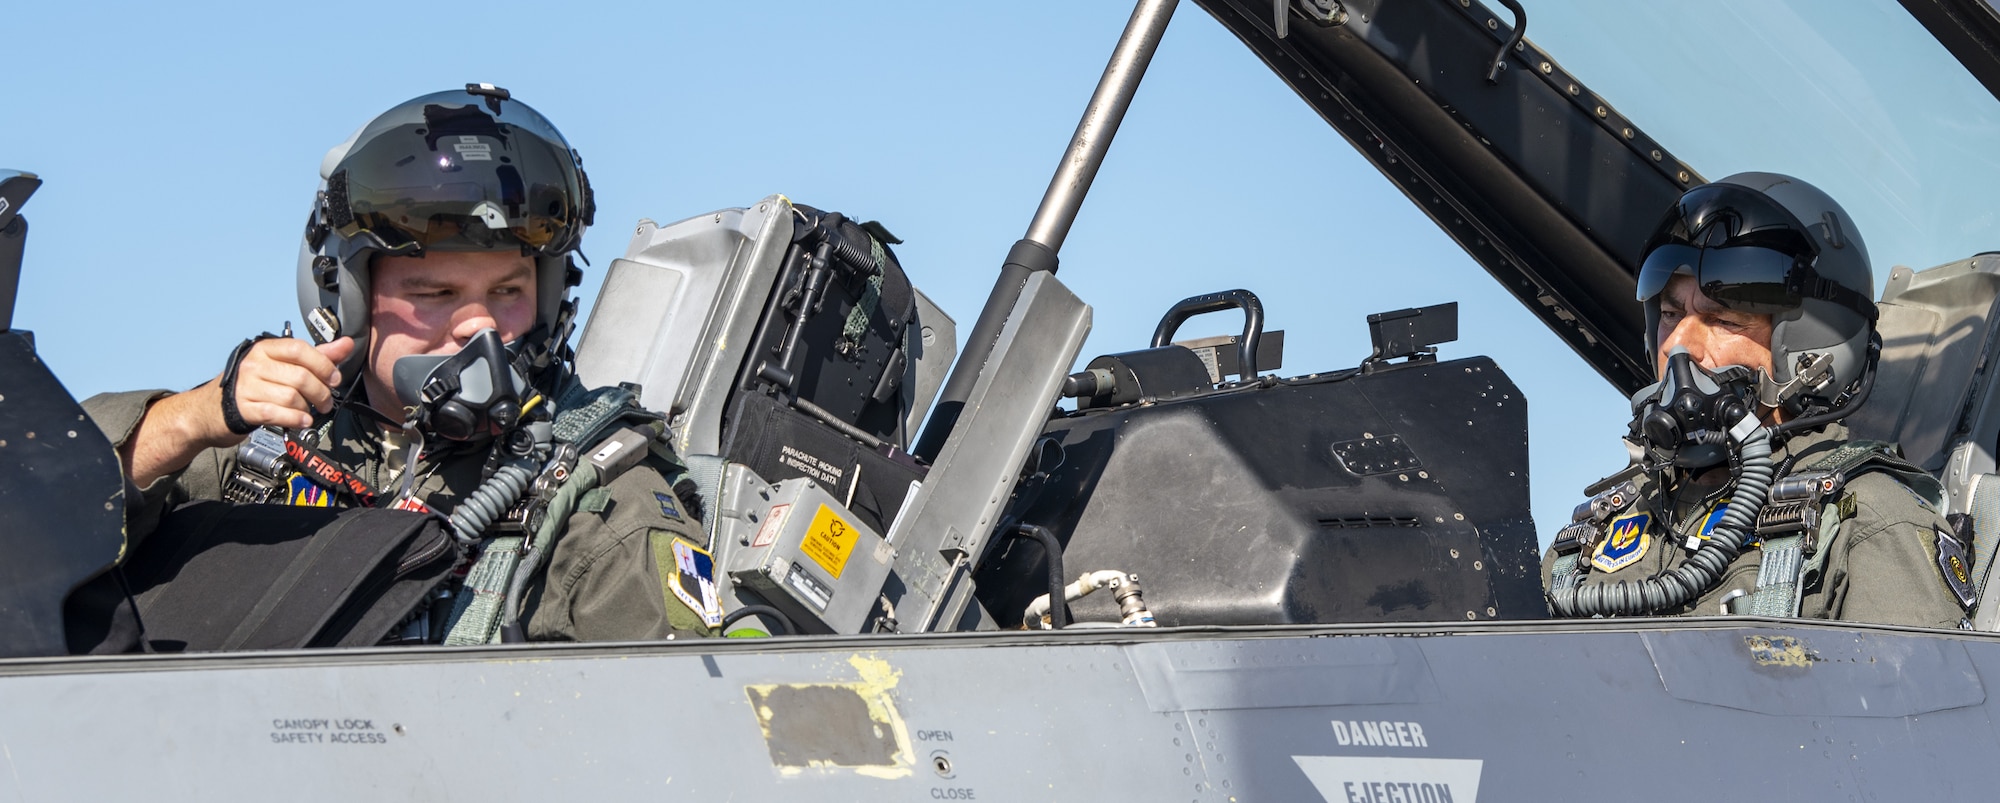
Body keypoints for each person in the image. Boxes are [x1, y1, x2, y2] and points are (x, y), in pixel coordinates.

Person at [82, 85, 720, 645]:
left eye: (508, 291)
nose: (480, 325)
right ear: (347, 302)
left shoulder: (605, 507)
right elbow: (33, 529)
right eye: (434, 294)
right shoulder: (264, 447)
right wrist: (191, 419)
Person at [1543, 172, 1973, 628]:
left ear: (1809, 352)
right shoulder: (1598, 532)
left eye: (1723, 320)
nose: (1680, 346)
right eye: (1671, 314)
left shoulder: (1866, 525)